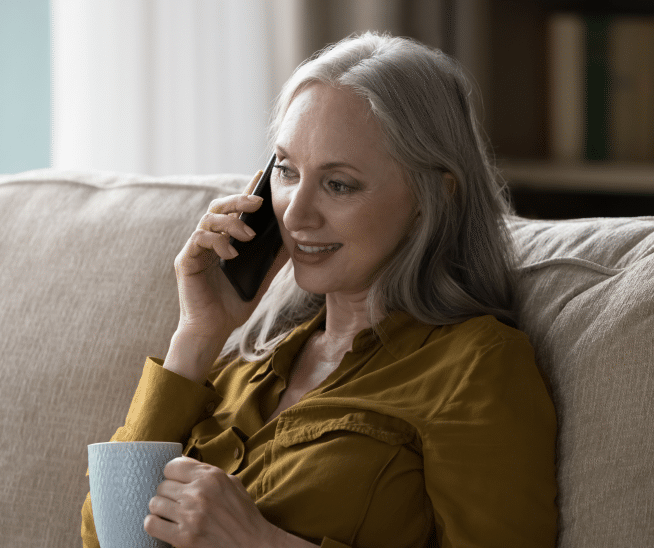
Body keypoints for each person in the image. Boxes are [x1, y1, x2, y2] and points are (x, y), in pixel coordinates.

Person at [81, 31, 557, 548]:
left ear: (432, 198)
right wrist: (197, 334)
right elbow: (109, 540)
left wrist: (261, 542)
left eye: (339, 184)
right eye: (286, 171)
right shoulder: (244, 366)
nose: (296, 213)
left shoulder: (476, 364)